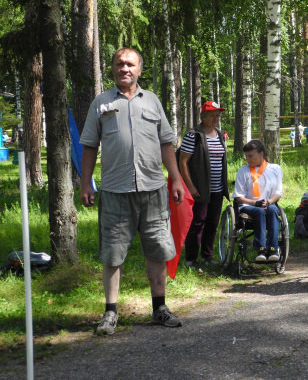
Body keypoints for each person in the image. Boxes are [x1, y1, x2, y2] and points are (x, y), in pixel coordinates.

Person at [80, 48, 184, 336]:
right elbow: (89, 145)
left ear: (140, 69)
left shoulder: (152, 101)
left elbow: (166, 143)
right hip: (115, 190)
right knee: (112, 253)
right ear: (113, 68)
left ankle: (159, 309)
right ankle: (110, 313)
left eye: (130, 64)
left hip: (153, 189)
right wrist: (85, 183)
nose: (124, 68)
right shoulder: (101, 103)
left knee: (158, 249)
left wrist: (175, 179)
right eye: (119, 64)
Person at [178, 101, 229, 270]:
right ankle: (191, 259)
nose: (216, 118)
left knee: (213, 223)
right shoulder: (194, 135)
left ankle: (207, 256)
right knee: (197, 223)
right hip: (200, 190)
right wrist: (191, 187)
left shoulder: (220, 135)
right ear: (203, 116)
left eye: (218, 115)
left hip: (217, 188)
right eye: (213, 115)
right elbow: (183, 162)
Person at [232, 140, 283, 262]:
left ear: (261, 154)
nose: (247, 159)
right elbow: (238, 197)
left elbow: (278, 192)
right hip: (248, 206)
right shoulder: (243, 171)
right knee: (259, 212)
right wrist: (255, 203)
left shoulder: (275, 169)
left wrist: (269, 202)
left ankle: (272, 249)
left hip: (269, 203)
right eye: (246, 156)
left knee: (273, 210)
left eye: (251, 156)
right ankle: (261, 248)